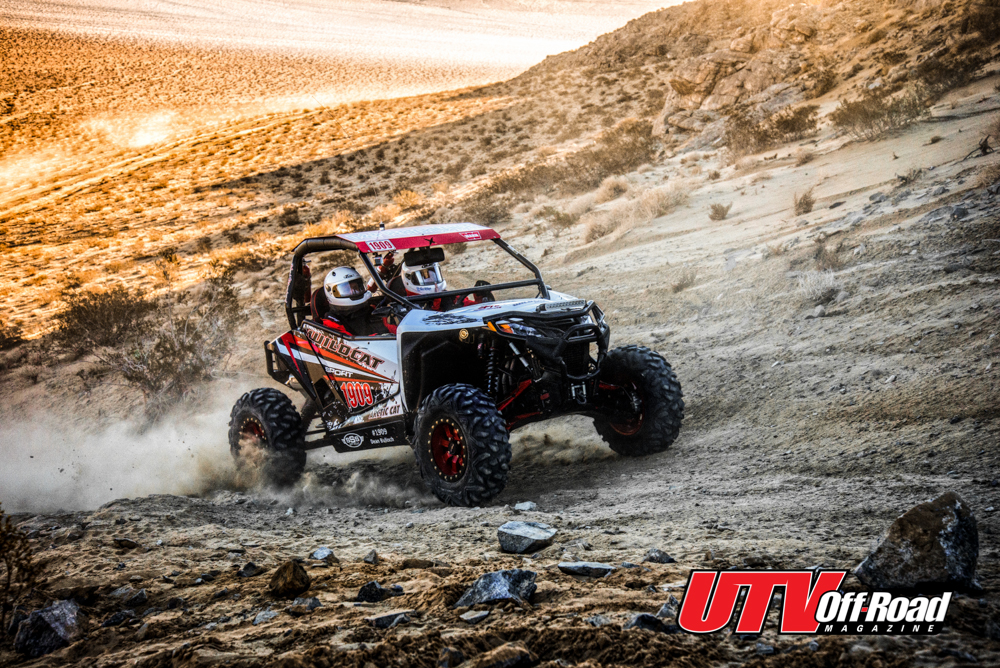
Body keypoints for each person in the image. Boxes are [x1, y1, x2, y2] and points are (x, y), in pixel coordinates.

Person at [319, 266, 389, 336]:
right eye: (346, 289)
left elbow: (390, 327)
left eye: (356, 287)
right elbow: (349, 341)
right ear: (331, 293)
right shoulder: (332, 322)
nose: (353, 292)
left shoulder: (369, 309)